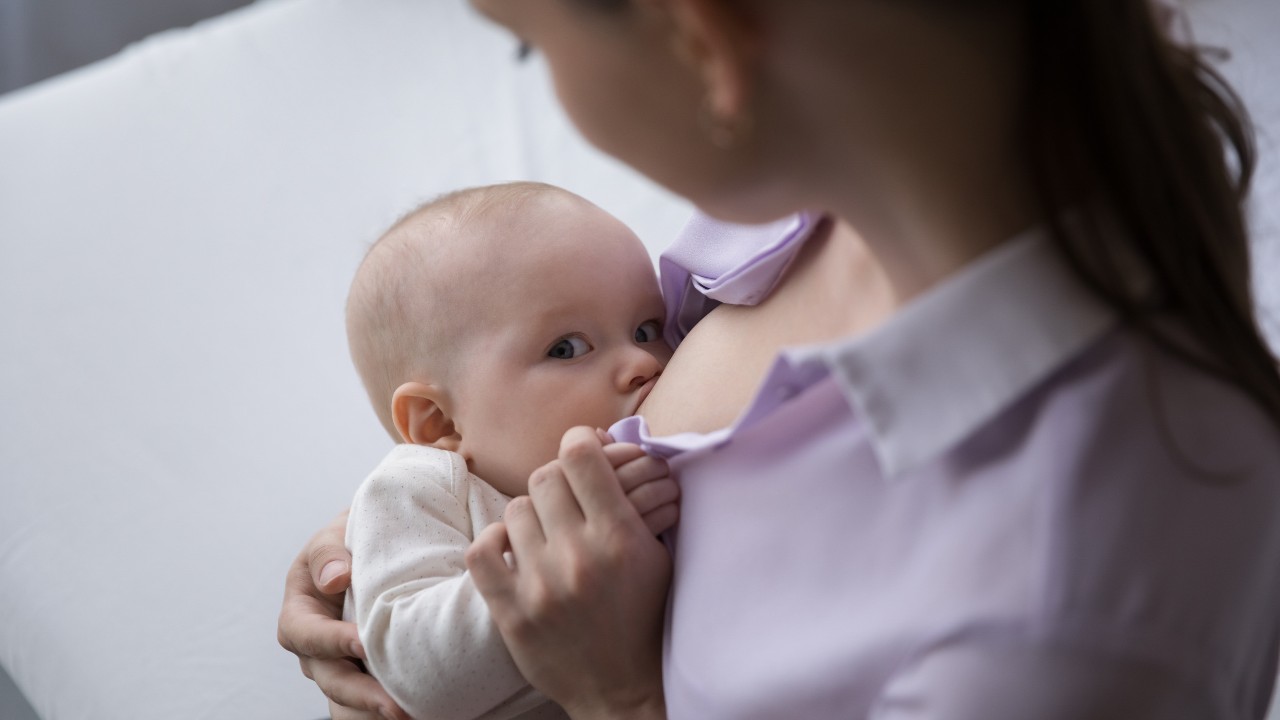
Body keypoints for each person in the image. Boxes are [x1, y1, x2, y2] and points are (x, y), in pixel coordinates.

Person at [280, 1, 1280, 718]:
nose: (638, 357)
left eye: (525, 47)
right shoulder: (803, 197)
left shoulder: (1051, 633)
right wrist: (394, 551)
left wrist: (617, 695)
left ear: (701, 39)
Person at [338, 181, 678, 720]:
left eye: (647, 328)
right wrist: (567, 553)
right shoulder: (417, 488)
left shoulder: (652, 464)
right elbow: (413, 672)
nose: (642, 361)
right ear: (440, 422)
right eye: (567, 347)